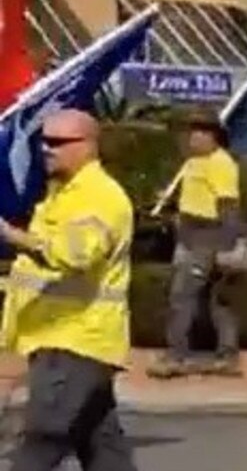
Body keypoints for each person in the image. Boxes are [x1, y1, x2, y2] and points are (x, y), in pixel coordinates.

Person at [1, 110, 136, 471]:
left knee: (42, 440)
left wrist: (11, 235)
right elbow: (37, 267)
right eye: (43, 142)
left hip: (76, 339)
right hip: (60, 336)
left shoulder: (100, 196)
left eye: (58, 143)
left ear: (89, 146)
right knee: (103, 445)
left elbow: (76, 254)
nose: (47, 150)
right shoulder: (63, 195)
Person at [149, 111, 247, 379]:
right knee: (217, 301)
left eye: (200, 131)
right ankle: (227, 355)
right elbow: (192, 199)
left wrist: (226, 246)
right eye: (191, 131)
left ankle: (176, 356)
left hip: (206, 239)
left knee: (182, 296)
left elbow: (228, 207)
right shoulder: (193, 163)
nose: (192, 136)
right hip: (189, 235)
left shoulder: (221, 164)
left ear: (213, 136)